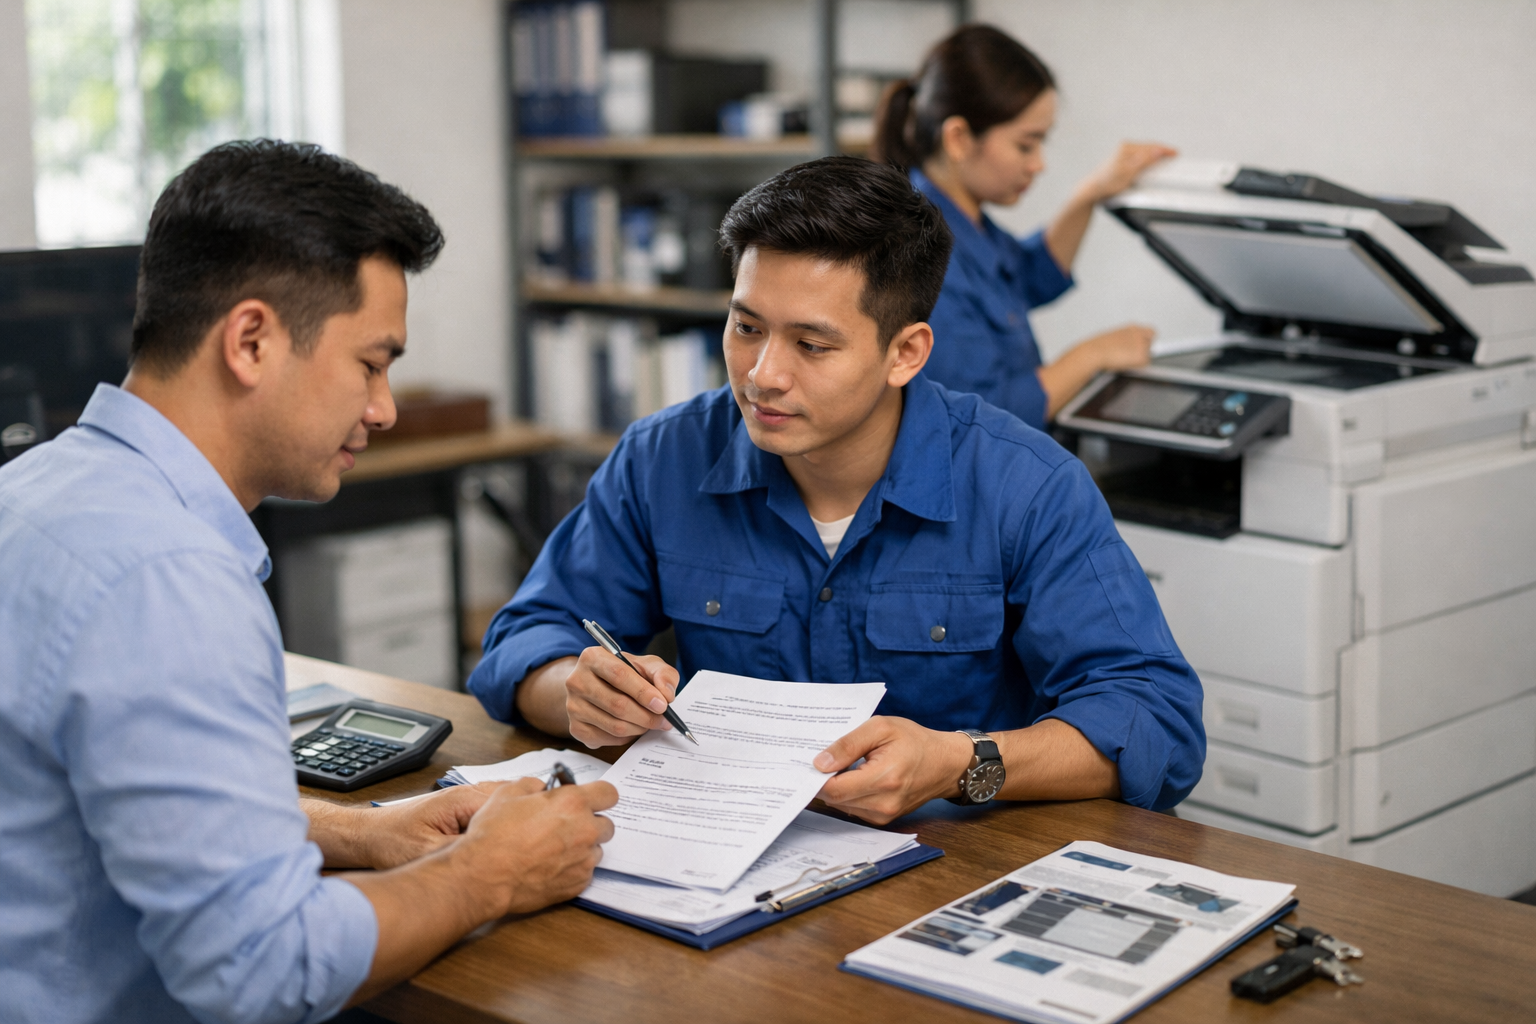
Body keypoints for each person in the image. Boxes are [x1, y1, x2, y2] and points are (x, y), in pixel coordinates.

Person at [0, 140, 617, 1024]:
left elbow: (117, 807)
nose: (385, 408)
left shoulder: (35, 490)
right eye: (371, 362)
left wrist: (360, 832)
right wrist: (489, 873)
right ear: (250, 340)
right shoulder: (170, 581)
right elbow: (264, 971)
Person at [468, 157, 1203, 826]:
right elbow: (523, 642)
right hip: (720, 860)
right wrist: (575, 687)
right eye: (746, 327)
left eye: (811, 346)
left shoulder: (1025, 485)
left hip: (949, 873)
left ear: (905, 353)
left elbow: (1154, 721)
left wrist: (963, 763)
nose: (763, 375)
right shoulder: (664, 457)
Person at [871, 23, 1177, 429]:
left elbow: (1031, 275)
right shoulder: (917, 249)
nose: (1038, 164)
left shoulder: (966, 221)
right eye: (1025, 145)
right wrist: (1092, 355)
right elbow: (979, 414)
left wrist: (1090, 194)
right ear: (959, 138)